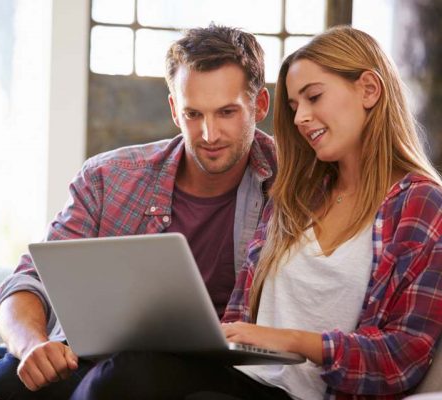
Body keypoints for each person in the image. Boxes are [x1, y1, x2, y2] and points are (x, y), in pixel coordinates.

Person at [71, 26, 442, 400]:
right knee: (120, 373)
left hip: (310, 395)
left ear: (368, 89)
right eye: (295, 106)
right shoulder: (296, 192)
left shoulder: (421, 203)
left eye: (313, 97)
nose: (299, 119)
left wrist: (290, 341)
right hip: (244, 379)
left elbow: (403, 356)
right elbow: (239, 317)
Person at [0, 23, 275, 400]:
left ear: (260, 105)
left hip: (207, 371)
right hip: (89, 355)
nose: (209, 134)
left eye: (227, 112)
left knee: (125, 375)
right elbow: (28, 280)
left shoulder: (294, 184)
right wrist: (32, 345)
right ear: (174, 111)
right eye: (193, 114)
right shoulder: (108, 177)